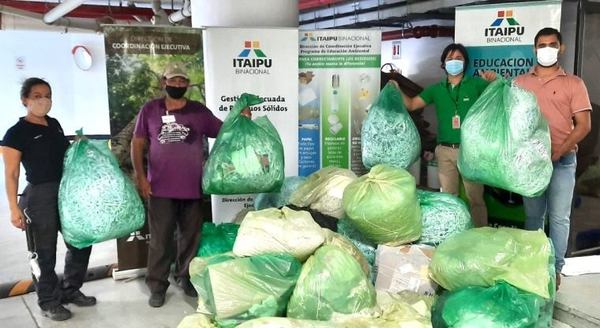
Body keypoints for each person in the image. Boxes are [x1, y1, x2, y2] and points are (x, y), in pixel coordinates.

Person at [2, 78, 96, 321]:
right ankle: (48, 301)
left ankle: (70, 290)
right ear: (24, 100)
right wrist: (14, 208)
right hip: (39, 195)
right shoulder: (15, 133)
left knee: (81, 241)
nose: (43, 100)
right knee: (44, 252)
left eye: (47, 95)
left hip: (67, 192)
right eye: (36, 96)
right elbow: (11, 173)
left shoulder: (53, 124)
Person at [131, 63, 223, 307]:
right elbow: (137, 143)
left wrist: (241, 118)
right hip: (160, 188)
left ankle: (186, 278)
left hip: (193, 188)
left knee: (190, 237)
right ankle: (157, 286)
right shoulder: (150, 110)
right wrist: (141, 177)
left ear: (187, 84)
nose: (178, 85)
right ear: (164, 83)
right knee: (160, 240)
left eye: (183, 81)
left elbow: (224, 131)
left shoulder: (198, 112)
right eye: (174, 81)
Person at [514, 27, 592, 288]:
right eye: (541, 45)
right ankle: (532, 263)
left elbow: (584, 125)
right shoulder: (521, 83)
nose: (546, 49)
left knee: (559, 218)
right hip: (531, 164)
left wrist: (560, 150)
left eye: (551, 44)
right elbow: (513, 122)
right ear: (534, 49)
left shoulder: (574, 84)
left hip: (563, 161)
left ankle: (555, 268)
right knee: (533, 217)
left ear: (561, 48)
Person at [400, 43, 495, 227]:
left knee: (475, 198)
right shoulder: (436, 89)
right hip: (444, 151)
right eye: (450, 59)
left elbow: (499, 96)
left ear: (465, 63)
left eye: (459, 59)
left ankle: (481, 234)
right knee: (448, 198)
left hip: (471, 152)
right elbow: (411, 104)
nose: (454, 62)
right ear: (443, 63)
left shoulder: (476, 84)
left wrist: (493, 81)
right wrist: (396, 89)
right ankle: (452, 233)